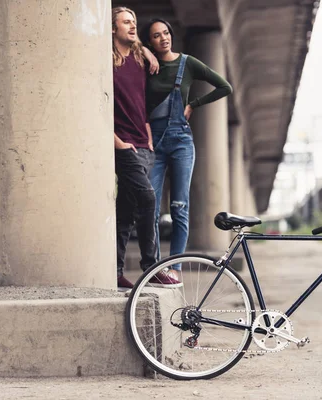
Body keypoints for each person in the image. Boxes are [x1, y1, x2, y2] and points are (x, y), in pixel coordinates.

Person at [140, 19, 233, 279]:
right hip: (154, 142)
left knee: (179, 205)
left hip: (181, 140)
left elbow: (225, 87)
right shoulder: (146, 66)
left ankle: (175, 267)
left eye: (166, 33)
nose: (163, 38)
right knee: (151, 206)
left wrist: (193, 104)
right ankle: (156, 268)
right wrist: (144, 51)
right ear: (150, 42)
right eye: (156, 36)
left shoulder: (188, 63)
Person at [111, 7, 182, 290]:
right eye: (126, 22)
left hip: (143, 143)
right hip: (122, 144)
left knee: (125, 212)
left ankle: (115, 271)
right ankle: (152, 267)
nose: (132, 26)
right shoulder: (106, 61)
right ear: (113, 29)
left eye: (134, 22)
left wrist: (149, 138)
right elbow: (95, 102)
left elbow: (141, 102)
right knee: (148, 199)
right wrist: (116, 142)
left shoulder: (139, 59)